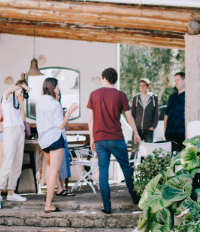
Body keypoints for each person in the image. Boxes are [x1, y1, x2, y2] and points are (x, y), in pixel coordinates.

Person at [87, 68, 141, 214]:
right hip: (116, 139)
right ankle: (136, 199)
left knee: (103, 173)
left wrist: (92, 139)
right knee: (127, 169)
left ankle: (107, 207)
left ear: (104, 78)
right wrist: (136, 133)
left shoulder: (94, 95)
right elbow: (129, 118)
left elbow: (91, 120)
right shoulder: (121, 95)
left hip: (100, 140)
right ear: (115, 79)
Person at [36, 78, 78, 213]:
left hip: (44, 140)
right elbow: (61, 124)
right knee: (54, 171)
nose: (58, 88)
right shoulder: (55, 104)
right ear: (52, 87)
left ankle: (48, 200)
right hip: (55, 138)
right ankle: (48, 204)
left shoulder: (39, 103)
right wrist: (70, 111)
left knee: (49, 168)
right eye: (57, 86)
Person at [0, 77, 31, 200]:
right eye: (22, 90)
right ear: (18, 88)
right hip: (10, 130)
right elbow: (8, 90)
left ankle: (11, 192)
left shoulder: (18, 102)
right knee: (7, 162)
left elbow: (23, 118)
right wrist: (21, 88)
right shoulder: (7, 99)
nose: (23, 93)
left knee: (17, 163)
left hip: (20, 130)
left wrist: (22, 102)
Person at [56, 89, 74, 197]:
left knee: (63, 162)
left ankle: (62, 187)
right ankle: (61, 188)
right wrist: (69, 113)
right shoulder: (55, 105)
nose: (58, 96)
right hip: (58, 136)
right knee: (60, 163)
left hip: (62, 136)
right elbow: (61, 124)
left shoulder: (57, 105)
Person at [132, 78, 159, 142]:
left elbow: (156, 113)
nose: (142, 87)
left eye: (144, 85)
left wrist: (153, 126)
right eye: (140, 85)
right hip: (137, 129)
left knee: (148, 150)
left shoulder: (154, 98)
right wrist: (133, 127)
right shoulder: (136, 98)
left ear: (148, 86)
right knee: (135, 149)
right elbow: (133, 113)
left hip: (148, 129)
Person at [164, 72, 185, 152]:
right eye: (175, 80)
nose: (176, 82)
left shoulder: (188, 96)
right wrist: (165, 131)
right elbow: (166, 114)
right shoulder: (172, 97)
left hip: (182, 133)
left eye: (178, 80)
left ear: (185, 80)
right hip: (170, 133)